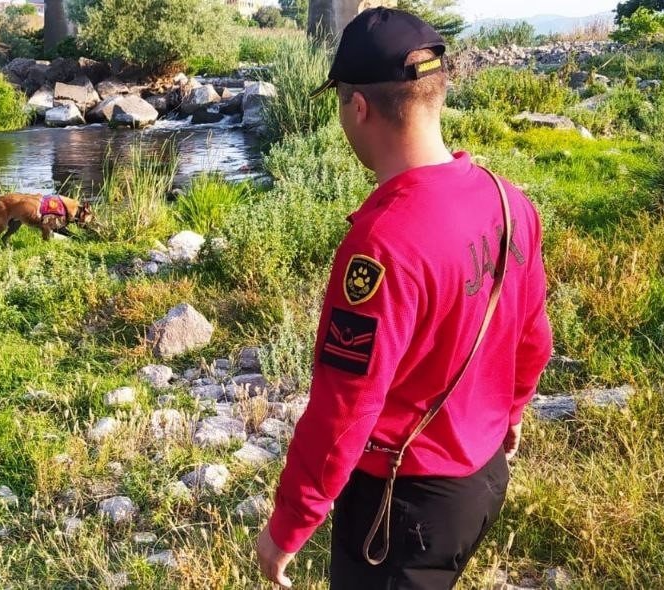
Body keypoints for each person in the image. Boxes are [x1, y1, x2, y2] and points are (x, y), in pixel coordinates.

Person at [253, 8, 553, 589]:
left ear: (358, 107)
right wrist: (510, 412)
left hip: (403, 503)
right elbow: (532, 336)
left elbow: (345, 410)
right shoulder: (509, 200)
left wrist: (289, 524)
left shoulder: (381, 244)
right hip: (483, 478)